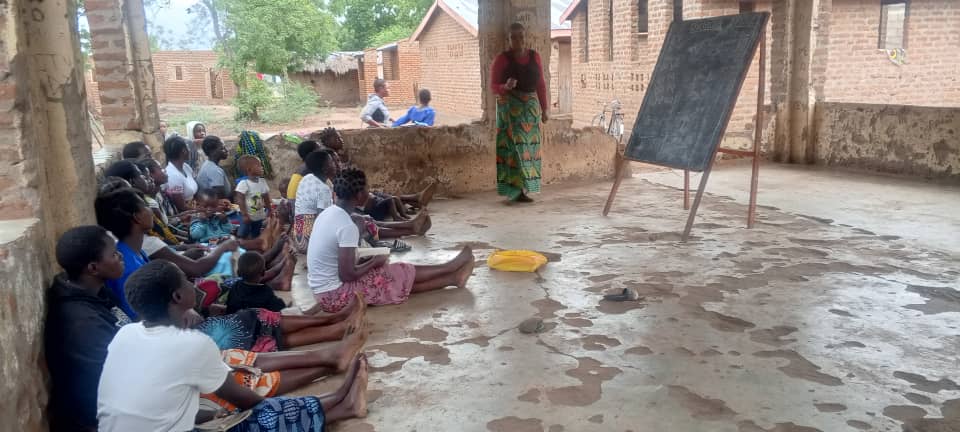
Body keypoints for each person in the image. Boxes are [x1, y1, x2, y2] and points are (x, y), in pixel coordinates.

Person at [96, 260, 369, 431]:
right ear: (178, 297)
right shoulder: (192, 344)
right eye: (187, 282)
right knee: (260, 417)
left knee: (230, 405)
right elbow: (247, 401)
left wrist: (208, 415)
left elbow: (155, 405)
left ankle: (341, 400)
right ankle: (340, 400)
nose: (194, 285)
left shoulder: (125, 335)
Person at [305, 168, 475, 313]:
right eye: (367, 188)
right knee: (395, 272)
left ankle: (453, 278)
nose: (369, 192)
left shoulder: (328, 213)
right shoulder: (346, 226)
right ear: (359, 195)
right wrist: (375, 261)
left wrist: (368, 260)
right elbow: (348, 275)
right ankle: (449, 267)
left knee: (391, 281)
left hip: (324, 293)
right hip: (336, 296)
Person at [45, 226, 130, 432]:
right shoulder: (82, 323)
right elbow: (115, 384)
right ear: (93, 268)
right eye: (113, 254)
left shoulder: (96, 292)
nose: (120, 256)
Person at [490, 22, 548, 203]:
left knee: (529, 150)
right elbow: (493, 86)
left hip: (530, 111)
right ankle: (514, 191)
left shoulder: (535, 57)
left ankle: (525, 188)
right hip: (510, 111)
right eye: (513, 37)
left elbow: (541, 85)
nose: (518, 40)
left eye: (521, 36)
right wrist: (505, 86)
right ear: (508, 39)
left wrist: (545, 109)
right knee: (513, 150)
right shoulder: (502, 59)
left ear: (525, 37)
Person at [293, 149, 336, 253]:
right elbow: (323, 221)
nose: (335, 165)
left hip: (298, 237)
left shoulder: (307, 178)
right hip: (308, 243)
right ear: (325, 169)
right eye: (332, 162)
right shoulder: (323, 189)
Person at [235, 155, 270, 239]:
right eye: (259, 166)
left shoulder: (262, 181)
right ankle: (240, 242)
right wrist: (244, 214)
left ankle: (253, 242)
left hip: (258, 214)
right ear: (249, 170)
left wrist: (270, 208)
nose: (262, 167)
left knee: (256, 231)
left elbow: (266, 196)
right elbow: (240, 199)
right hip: (247, 215)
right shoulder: (244, 183)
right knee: (243, 232)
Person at [162, 135, 199, 212]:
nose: (189, 150)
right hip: (187, 213)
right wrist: (204, 209)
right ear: (183, 151)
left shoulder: (185, 167)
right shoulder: (173, 175)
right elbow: (182, 207)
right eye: (188, 147)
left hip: (195, 207)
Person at [286, 140, 321, 205]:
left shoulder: (303, 167)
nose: (323, 152)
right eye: (319, 149)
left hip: (294, 203)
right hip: (298, 205)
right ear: (313, 153)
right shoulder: (310, 168)